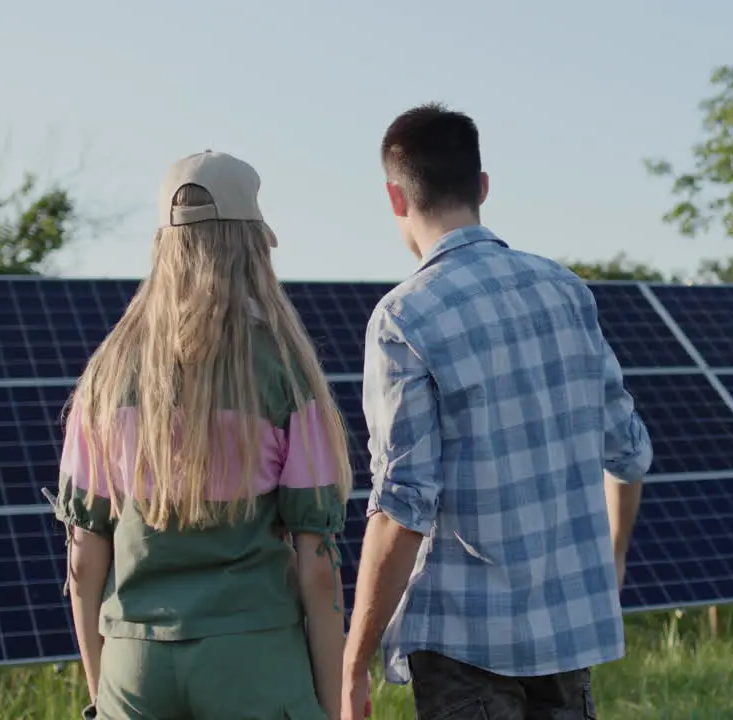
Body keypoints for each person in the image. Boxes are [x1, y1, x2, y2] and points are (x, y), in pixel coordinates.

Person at [341, 104, 654, 720]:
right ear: (482, 186)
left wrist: (353, 664)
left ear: (394, 198)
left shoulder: (404, 317)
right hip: (568, 632)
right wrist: (613, 555)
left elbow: (403, 504)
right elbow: (627, 448)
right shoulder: (566, 291)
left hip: (463, 642)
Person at [49, 151, 359, 720]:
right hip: (254, 662)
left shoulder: (106, 376)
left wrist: (103, 690)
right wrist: (333, 703)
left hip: (133, 667)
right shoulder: (285, 374)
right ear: (253, 248)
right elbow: (316, 565)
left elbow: (83, 559)